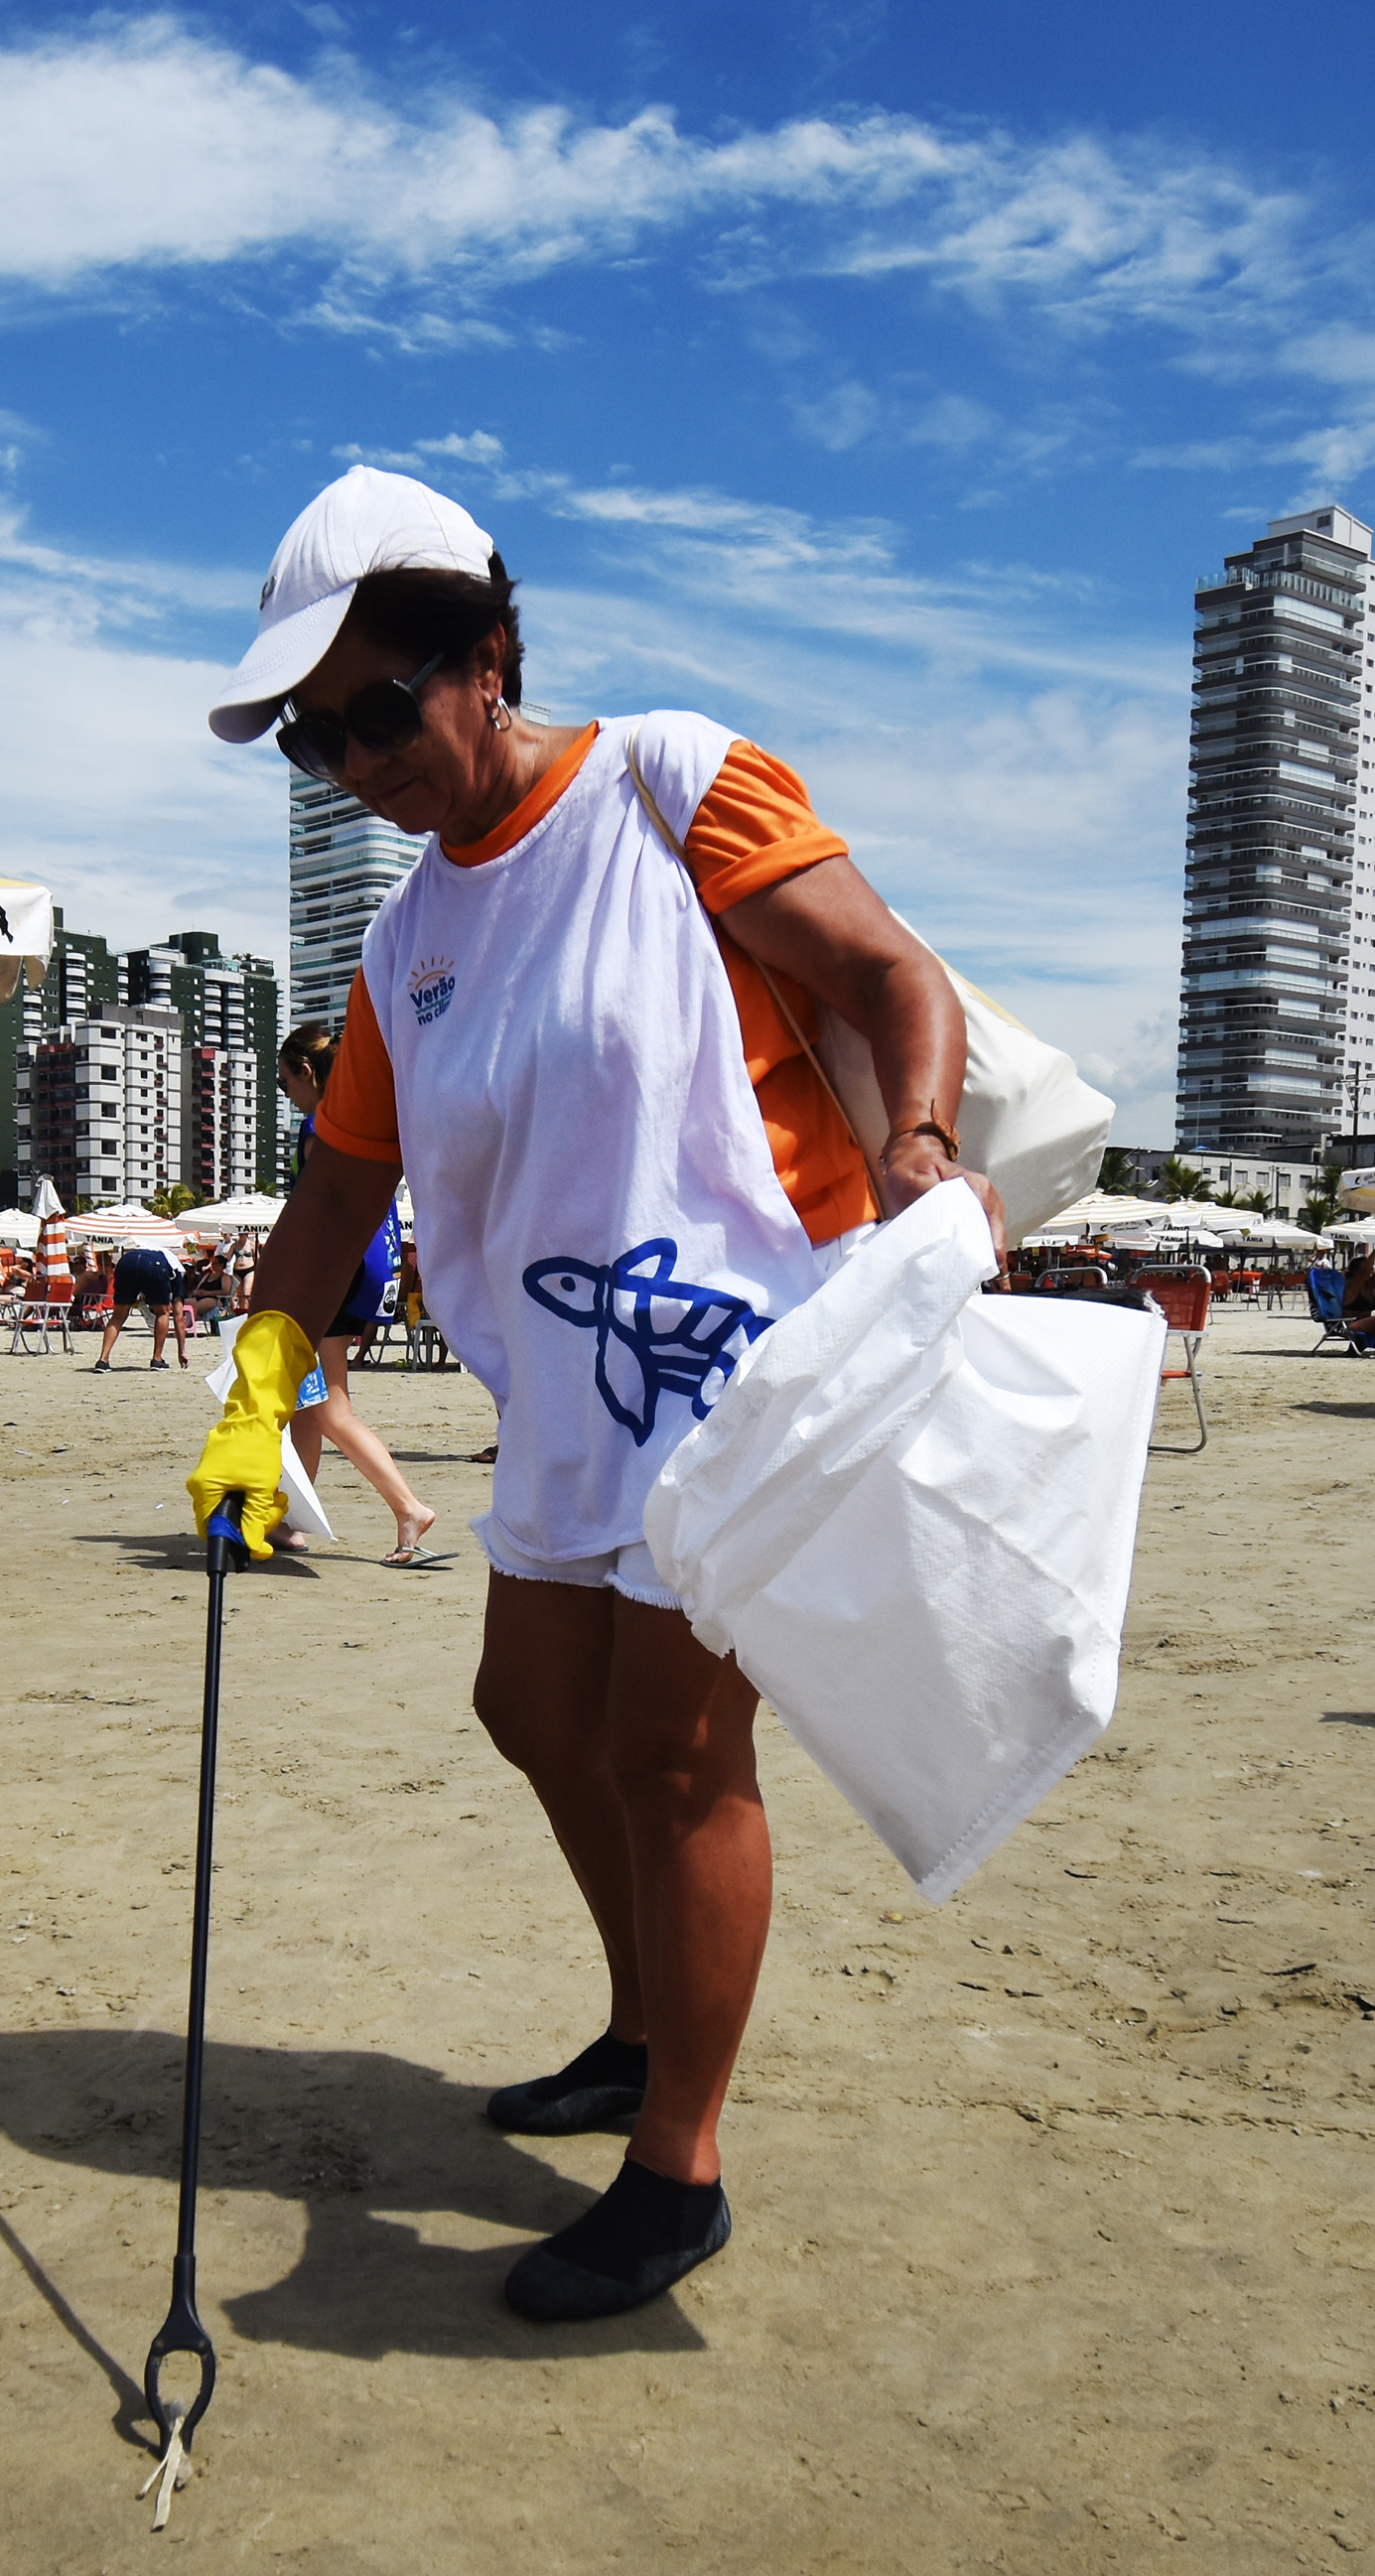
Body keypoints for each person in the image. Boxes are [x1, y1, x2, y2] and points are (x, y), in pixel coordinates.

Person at [187, 466, 1004, 2324]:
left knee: (672, 1752)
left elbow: (889, 975)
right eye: (311, 743)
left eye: (377, 708)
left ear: (489, 655)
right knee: (524, 1704)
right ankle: (644, 2027)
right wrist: (259, 1386)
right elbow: (339, 1190)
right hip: (564, 1391)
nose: (355, 759)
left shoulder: (663, 779)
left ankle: (679, 2168)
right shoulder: (407, 945)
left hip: (744, 1371)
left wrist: (925, 1147)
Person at [270, 1022, 438, 1562]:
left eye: (284, 1083)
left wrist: (292, 1271)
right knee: (310, 1403)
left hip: (334, 1268)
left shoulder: (319, 1123)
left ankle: (408, 1507)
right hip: (365, 1268)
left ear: (307, 1072)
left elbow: (323, 1208)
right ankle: (292, 1519)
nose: (286, 1095)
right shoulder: (357, 1119)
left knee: (326, 1407)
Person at [92, 1244, 190, 1371]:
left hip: (126, 1261)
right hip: (153, 1265)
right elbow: (178, 1316)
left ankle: (103, 1360)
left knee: (118, 1315)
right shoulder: (177, 1270)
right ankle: (157, 1359)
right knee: (162, 1312)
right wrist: (181, 1351)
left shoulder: (164, 1254)